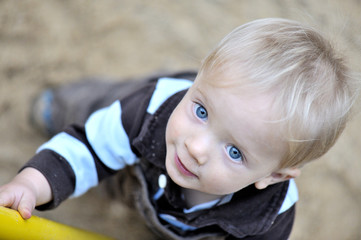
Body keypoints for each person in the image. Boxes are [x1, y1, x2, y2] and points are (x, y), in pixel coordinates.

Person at [0, 18, 358, 239]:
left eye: (234, 152)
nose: (196, 148)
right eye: (201, 111)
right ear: (199, 78)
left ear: (276, 176)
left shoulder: (270, 215)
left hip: (169, 205)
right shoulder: (152, 109)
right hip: (141, 132)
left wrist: (204, 111)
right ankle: (57, 106)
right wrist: (32, 183)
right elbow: (87, 147)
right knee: (93, 110)